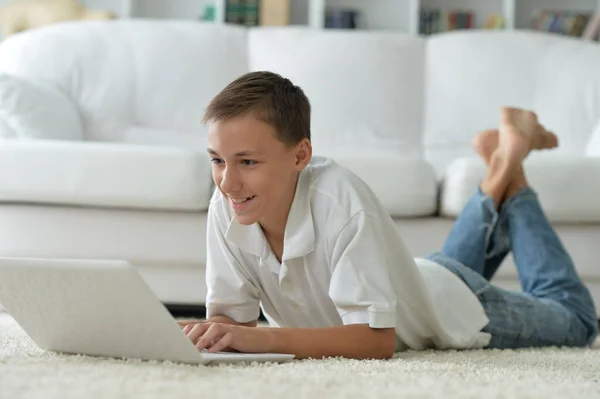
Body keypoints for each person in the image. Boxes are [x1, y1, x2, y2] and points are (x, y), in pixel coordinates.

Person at [178, 71, 598, 360]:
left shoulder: (340, 201)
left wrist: (263, 340)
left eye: (247, 162)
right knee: (436, 276)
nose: (227, 182)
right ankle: (504, 155)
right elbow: (232, 322)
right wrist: (211, 333)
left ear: (300, 155)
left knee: (578, 320)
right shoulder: (228, 206)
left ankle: (511, 164)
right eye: (217, 160)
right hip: (413, 280)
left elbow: (376, 340)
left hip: (456, 306)